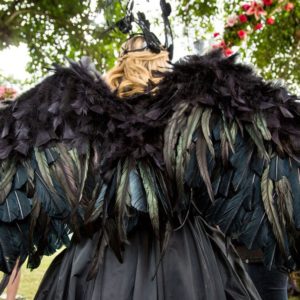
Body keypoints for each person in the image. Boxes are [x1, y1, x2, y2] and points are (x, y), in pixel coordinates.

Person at [0, 7, 299, 300]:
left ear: (120, 64)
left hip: (98, 263)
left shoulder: (80, 116)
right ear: (161, 63)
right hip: (189, 263)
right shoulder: (195, 106)